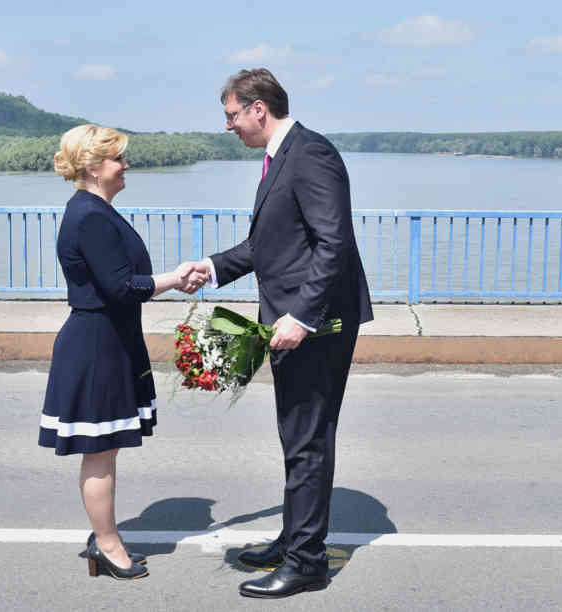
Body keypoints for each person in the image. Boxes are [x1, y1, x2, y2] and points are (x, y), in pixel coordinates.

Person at [194, 68, 373, 598]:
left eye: (231, 115)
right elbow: (269, 245)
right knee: (297, 439)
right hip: (295, 322)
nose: (229, 125)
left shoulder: (310, 154)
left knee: (307, 441)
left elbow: (333, 242)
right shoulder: (282, 156)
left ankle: (307, 562)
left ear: (258, 108)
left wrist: (302, 315)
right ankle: (295, 540)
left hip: (316, 326)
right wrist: (211, 267)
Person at [39, 124, 208, 580]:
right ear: (95, 167)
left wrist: (171, 280)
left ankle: (106, 538)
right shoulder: (90, 215)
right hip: (97, 345)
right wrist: (176, 278)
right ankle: (107, 543)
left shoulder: (93, 209)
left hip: (109, 340)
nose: (125, 165)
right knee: (100, 451)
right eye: (118, 159)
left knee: (106, 450)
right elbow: (121, 287)